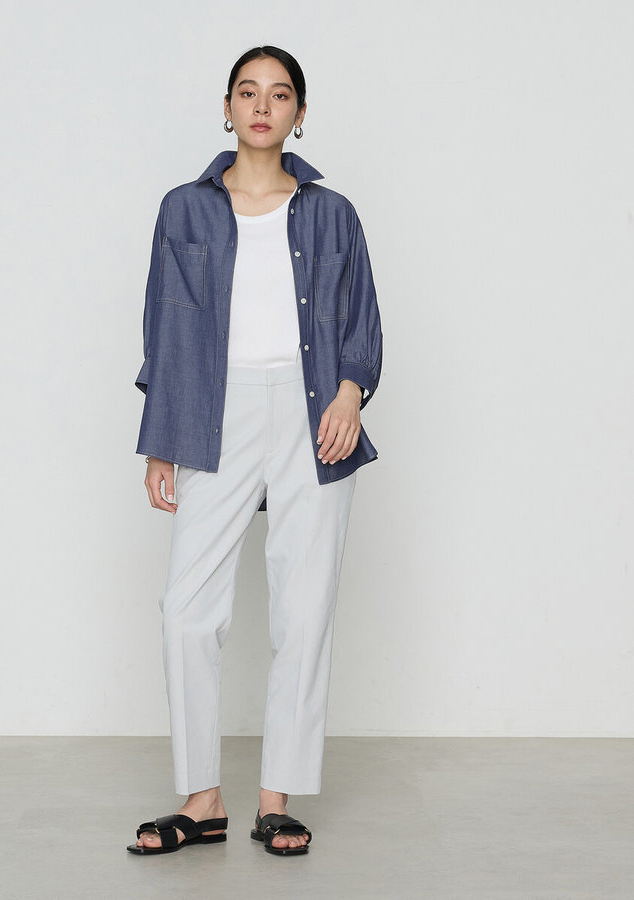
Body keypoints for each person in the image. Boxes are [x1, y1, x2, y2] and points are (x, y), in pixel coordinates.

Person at [127, 46, 382, 856]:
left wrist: (350, 393)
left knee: (303, 610)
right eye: (248, 92)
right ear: (228, 107)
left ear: (299, 113)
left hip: (314, 412)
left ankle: (276, 799)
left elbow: (362, 317)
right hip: (215, 408)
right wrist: (161, 441)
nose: (262, 106)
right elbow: (165, 326)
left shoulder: (332, 213)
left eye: (279, 95)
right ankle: (202, 800)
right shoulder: (184, 209)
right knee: (186, 608)